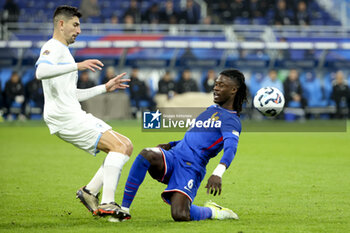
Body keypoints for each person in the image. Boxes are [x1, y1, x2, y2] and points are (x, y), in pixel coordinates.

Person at [35, 5, 132, 220]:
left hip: (69, 113)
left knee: (124, 146)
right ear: (61, 24)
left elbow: (72, 95)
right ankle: (107, 202)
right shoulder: (53, 47)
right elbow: (41, 72)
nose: (79, 30)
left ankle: (89, 192)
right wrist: (77, 66)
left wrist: (104, 88)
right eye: (75, 25)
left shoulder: (65, 53)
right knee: (119, 146)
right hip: (65, 116)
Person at [119, 69, 247, 222]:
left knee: (180, 214)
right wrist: (171, 144)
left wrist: (217, 173)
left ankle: (213, 212)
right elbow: (195, 138)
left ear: (233, 90)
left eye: (221, 85)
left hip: (190, 167)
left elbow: (231, 149)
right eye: (216, 84)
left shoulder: (231, 121)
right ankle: (124, 210)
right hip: (174, 156)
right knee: (147, 153)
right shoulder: (211, 110)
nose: (216, 88)